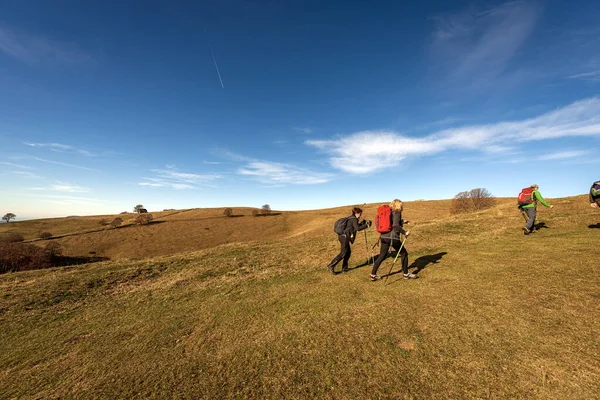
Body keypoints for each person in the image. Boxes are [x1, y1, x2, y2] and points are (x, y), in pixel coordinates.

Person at [370, 199, 417, 281]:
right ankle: (406, 274)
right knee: (404, 253)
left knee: (382, 255)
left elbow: (392, 222)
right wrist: (404, 232)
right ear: (399, 205)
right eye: (401, 204)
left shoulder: (388, 212)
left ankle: (373, 274)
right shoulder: (397, 212)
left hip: (384, 236)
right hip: (393, 237)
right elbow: (395, 225)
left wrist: (402, 222)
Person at [326, 207, 371, 274]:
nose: (360, 215)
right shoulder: (354, 219)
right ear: (357, 213)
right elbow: (357, 228)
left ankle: (345, 268)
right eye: (360, 213)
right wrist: (366, 225)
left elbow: (353, 227)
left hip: (342, 237)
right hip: (345, 238)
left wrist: (362, 223)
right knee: (343, 253)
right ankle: (331, 265)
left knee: (348, 252)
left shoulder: (351, 218)